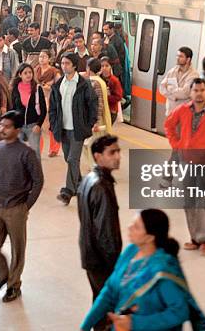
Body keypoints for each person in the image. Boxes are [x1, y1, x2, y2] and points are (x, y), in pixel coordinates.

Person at [81, 209, 205, 331]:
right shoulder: (130, 252)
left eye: (136, 227)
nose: (129, 228)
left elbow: (180, 312)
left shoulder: (162, 270)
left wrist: (135, 323)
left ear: (150, 237)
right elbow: (109, 292)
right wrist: (85, 326)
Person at [0, 110, 44, 303]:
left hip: (16, 208)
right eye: (1, 125)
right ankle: (4, 274)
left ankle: (13, 285)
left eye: (7, 126)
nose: (2, 129)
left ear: (17, 130)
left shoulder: (27, 153)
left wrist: (26, 205)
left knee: (18, 250)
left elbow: (38, 181)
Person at [164, 78, 205, 255]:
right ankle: (195, 238)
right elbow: (169, 125)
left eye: (202, 90)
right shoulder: (182, 110)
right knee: (189, 201)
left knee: (201, 201)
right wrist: (176, 144)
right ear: (191, 93)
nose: (199, 93)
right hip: (186, 161)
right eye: (195, 90)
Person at [78, 135, 122, 331]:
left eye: (118, 151)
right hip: (102, 260)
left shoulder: (88, 179)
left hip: (89, 254)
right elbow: (106, 233)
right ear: (97, 156)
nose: (118, 156)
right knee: (109, 308)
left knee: (100, 304)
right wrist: (115, 265)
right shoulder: (102, 187)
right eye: (112, 152)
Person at [49, 52, 98, 205]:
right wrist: (53, 122)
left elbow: (92, 104)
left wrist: (89, 124)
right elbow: (53, 107)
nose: (64, 66)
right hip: (63, 128)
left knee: (72, 159)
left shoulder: (83, 84)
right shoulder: (58, 85)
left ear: (75, 66)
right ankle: (82, 185)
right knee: (68, 159)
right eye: (62, 63)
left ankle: (67, 192)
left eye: (67, 64)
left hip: (77, 129)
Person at [9, 63, 47, 160]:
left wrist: (38, 125)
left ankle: (37, 174)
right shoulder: (14, 89)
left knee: (35, 154)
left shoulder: (37, 89)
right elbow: (12, 108)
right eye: (25, 73)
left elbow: (43, 109)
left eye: (30, 72)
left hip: (33, 126)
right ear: (20, 75)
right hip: (19, 126)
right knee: (18, 154)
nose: (28, 75)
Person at [84, 58, 112, 170]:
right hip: (98, 118)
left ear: (88, 68)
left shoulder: (94, 82)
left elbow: (98, 102)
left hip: (96, 119)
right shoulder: (99, 81)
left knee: (91, 144)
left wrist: (96, 121)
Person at [35, 50, 61, 157]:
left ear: (49, 59)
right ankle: (37, 149)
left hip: (51, 98)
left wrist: (50, 86)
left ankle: (54, 148)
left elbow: (59, 84)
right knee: (38, 123)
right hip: (38, 98)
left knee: (51, 123)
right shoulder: (36, 69)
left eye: (44, 57)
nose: (41, 59)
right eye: (40, 56)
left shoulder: (54, 71)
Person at [159, 46, 199, 116]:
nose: (177, 58)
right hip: (170, 111)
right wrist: (174, 97)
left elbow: (185, 93)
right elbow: (162, 88)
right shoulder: (172, 71)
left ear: (188, 59)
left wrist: (170, 88)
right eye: (177, 56)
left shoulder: (193, 75)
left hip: (184, 113)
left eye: (181, 56)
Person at [100, 57, 123, 125]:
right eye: (102, 66)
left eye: (107, 66)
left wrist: (105, 96)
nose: (104, 68)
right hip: (101, 110)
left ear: (111, 67)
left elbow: (119, 97)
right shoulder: (98, 78)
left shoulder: (114, 80)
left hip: (111, 110)